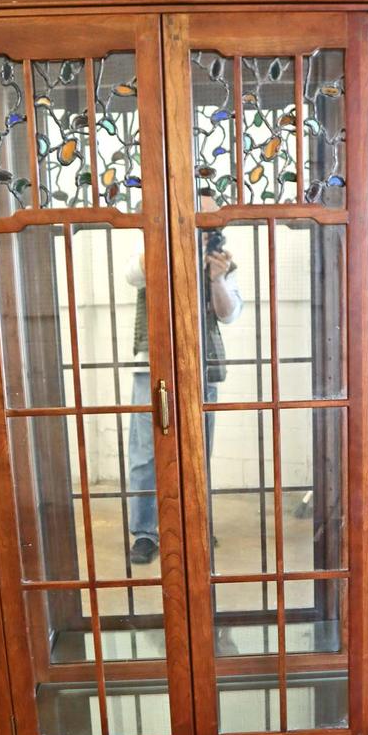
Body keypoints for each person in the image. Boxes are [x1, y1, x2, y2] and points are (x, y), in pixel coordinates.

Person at [126, 228, 243, 564]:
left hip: (200, 365)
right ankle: (147, 533)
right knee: (146, 453)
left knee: (197, 450)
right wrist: (167, 241)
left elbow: (230, 313)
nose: (207, 233)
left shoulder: (221, 262)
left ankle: (194, 525)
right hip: (151, 364)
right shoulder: (151, 242)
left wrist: (217, 279)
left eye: (212, 228)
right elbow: (133, 275)